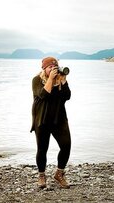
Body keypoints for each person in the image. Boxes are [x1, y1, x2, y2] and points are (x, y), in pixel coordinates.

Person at [31, 56, 71, 189]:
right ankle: (42, 175)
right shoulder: (37, 80)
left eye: (55, 67)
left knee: (66, 146)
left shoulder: (59, 81)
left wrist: (63, 81)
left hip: (59, 119)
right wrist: (50, 79)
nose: (53, 69)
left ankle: (59, 173)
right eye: (50, 67)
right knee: (42, 149)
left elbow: (67, 97)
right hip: (42, 120)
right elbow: (43, 95)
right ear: (44, 68)